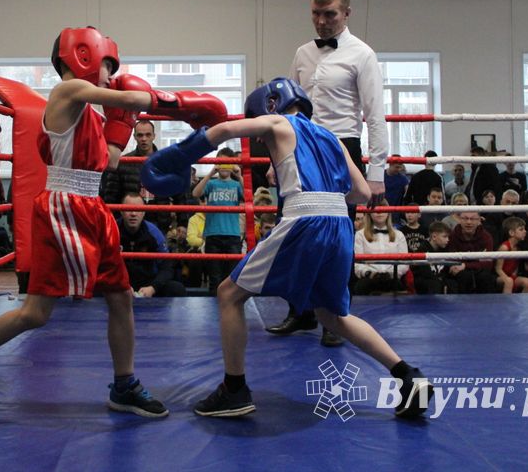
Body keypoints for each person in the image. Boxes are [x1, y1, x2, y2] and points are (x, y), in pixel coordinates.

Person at [0, 26, 226, 416]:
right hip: (63, 207)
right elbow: (130, 95)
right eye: (107, 64)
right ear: (82, 57)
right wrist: (186, 103)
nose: (110, 74)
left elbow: (108, 160)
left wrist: (123, 122)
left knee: (122, 297)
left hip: (92, 206)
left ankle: (124, 384)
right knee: (36, 313)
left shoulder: (90, 112)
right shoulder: (66, 92)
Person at [141, 77, 432, 418]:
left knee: (229, 293)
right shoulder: (333, 138)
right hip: (339, 224)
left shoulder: (278, 121)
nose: (264, 139)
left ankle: (234, 390)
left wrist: (177, 156)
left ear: (271, 104)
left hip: (304, 219)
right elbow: (363, 194)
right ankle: (407, 375)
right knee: (332, 315)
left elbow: (221, 132)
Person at [275, 0, 390, 346]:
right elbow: (288, 110)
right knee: (294, 231)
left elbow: (375, 116)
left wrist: (376, 173)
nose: (321, 22)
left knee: (338, 238)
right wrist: (278, 158)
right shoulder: (302, 53)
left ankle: (336, 319)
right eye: (316, 13)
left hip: (343, 148)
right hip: (302, 147)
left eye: (329, 14)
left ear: (346, 13)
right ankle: (301, 312)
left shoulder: (363, 54)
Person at [101, 120, 188, 235]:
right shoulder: (123, 162)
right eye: (140, 135)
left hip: (160, 222)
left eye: (148, 135)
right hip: (129, 224)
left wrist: (182, 223)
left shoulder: (167, 163)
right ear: (134, 137)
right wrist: (112, 222)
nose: (144, 139)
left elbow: (180, 195)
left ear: (154, 136)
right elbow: (111, 196)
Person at [192, 150, 243, 295]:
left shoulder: (236, 184)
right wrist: (210, 173)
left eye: (228, 163)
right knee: (214, 278)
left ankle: (230, 308)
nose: (224, 166)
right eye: (221, 162)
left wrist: (239, 176)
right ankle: (213, 312)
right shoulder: (212, 183)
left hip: (232, 235)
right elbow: (196, 193)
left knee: (231, 278)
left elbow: (249, 196)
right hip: (213, 234)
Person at [118, 193, 186, 297]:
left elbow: (167, 267)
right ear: (121, 211)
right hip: (118, 284)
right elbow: (102, 265)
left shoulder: (154, 232)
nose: (133, 213)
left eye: (137, 209)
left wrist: (153, 287)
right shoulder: (111, 231)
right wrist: (120, 285)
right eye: (128, 209)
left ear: (144, 212)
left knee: (176, 289)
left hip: (147, 285)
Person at [353, 206, 410, 295]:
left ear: (388, 213)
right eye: (376, 210)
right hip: (368, 279)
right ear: (369, 213)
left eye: (383, 210)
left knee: (399, 288)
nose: (379, 213)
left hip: (393, 278)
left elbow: (404, 263)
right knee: (360, 287)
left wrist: (392, 274)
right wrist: (370, 274)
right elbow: (356, 263)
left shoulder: (399, 235)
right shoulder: (360, 235)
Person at [446, 210, 494, 294]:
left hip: (478, 270)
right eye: (465, 218)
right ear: (459, 219)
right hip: (461, 271)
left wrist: (465, 265)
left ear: (479, 220)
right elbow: (452, 261)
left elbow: (488, 263)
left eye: (472, 219)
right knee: (464, 276)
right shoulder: (453, 236)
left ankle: (486, 305)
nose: (468, 222)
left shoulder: (486, 237)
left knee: (485, 276)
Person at [494, 217, 528, 294]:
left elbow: (515, 266)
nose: (525, 231)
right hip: (498, 276)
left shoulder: (518, 247)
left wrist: (513, 276)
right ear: (511, 233)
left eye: (524, 229)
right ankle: (507, 305)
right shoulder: (504, 247)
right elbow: (498, 269)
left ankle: (522, 305)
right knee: (509, 282)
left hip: (511, 275)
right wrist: (507, 278)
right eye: (521, 229)